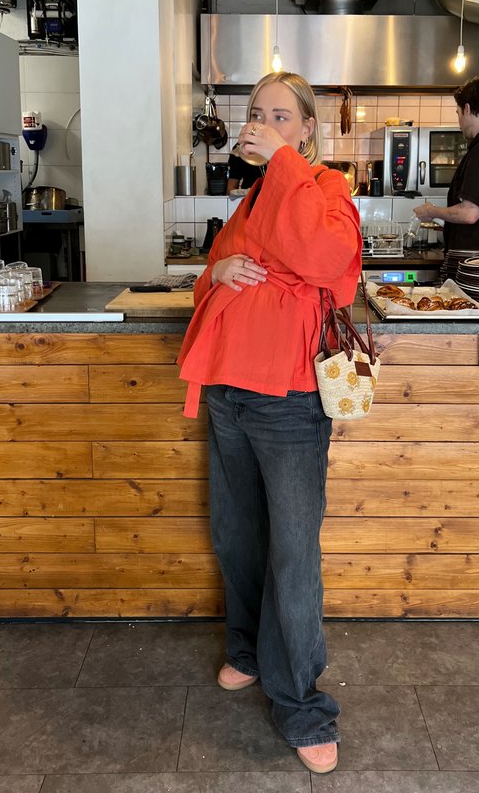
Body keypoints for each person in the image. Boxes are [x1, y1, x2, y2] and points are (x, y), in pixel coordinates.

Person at [177, 71, 362, 774]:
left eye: (281, 116)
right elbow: (212, 271)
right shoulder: (252, 197)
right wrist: (220, 271)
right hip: (228, 388)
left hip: (287, 399)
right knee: (237, 534)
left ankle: (302, 705)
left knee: (291, 552)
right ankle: (250, 650)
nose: (262, 123)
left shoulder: (326, 189)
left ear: (308, 129)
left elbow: (326, 261)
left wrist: (280, 159)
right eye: (257, 113)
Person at [413, 74, 479, 257]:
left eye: (458, 113)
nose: (459, 123)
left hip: (478, 265)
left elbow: (469, 213)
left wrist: (432, 211)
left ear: (467, 109)